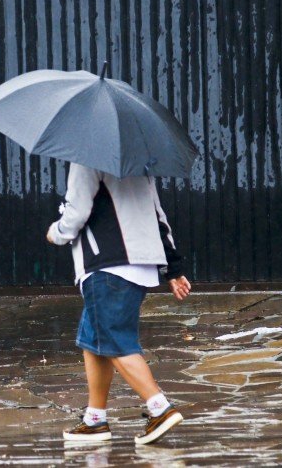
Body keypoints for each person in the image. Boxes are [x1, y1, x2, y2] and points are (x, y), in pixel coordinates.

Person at [46, 163, 192, 445]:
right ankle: (95, 420)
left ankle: (160, 408)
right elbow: (158, 217)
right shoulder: (139, 162)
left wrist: (56, 231)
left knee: (114, 340)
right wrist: (172, 268)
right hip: (138, 266)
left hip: (107, 266)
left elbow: (76, 213)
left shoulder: (85, 158)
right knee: (94, 340)